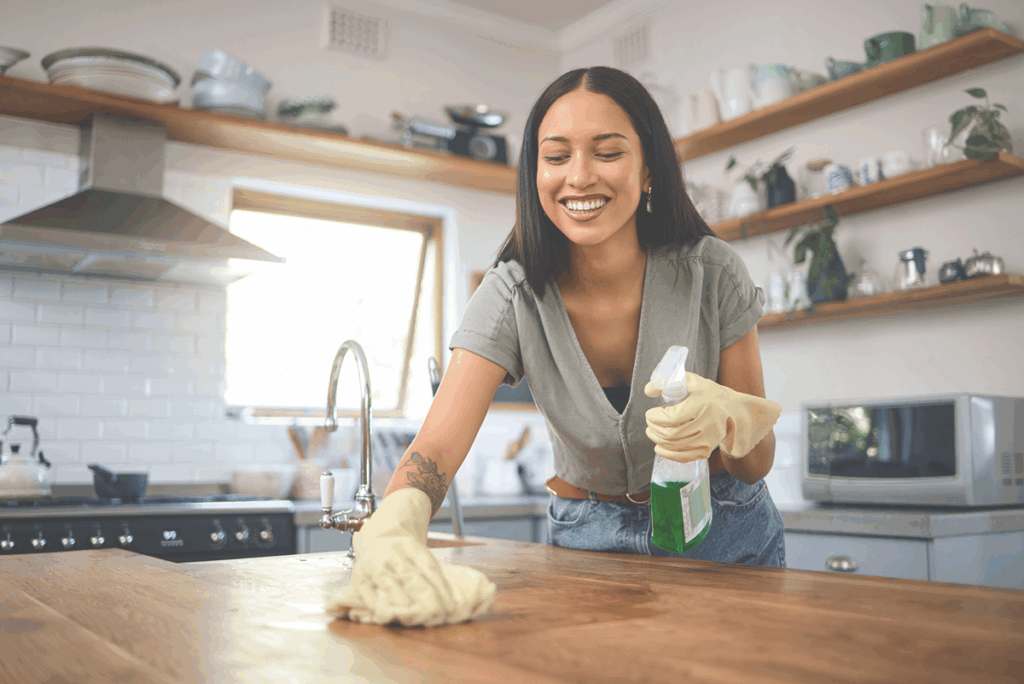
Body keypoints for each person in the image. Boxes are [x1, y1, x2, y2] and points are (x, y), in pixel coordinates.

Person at [328, 66, 784, 627]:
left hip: (725, 537)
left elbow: (755, 465)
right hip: (585, 543)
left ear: (648, 172)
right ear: (535, 174)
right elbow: (437, 448)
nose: (580, 176)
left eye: (608, 152)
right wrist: (396, 522)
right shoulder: (511, 294)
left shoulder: (713, 274)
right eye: (557, 155)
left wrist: (733, 419)